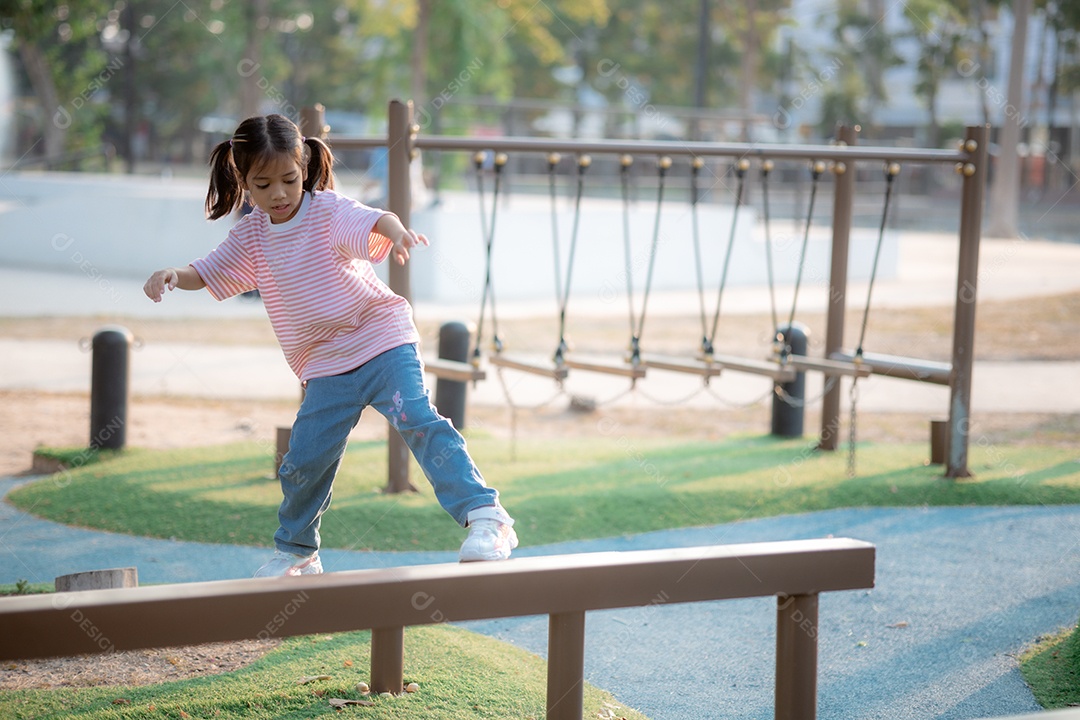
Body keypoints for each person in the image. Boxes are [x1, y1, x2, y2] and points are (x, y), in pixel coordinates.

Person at [143, 114, 517, 576]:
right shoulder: (252, 235)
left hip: (381, 340)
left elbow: (375, 219)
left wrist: (396, 232)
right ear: (243, 181)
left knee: (416, 417)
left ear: (304, 170)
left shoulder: (326, 211)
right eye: (262, 185)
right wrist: (173, 276)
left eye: (289, 179)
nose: (278, 194)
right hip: (325, 366)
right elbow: (209, 271)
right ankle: (299, 551)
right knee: (305, 457)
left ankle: (487, 517)